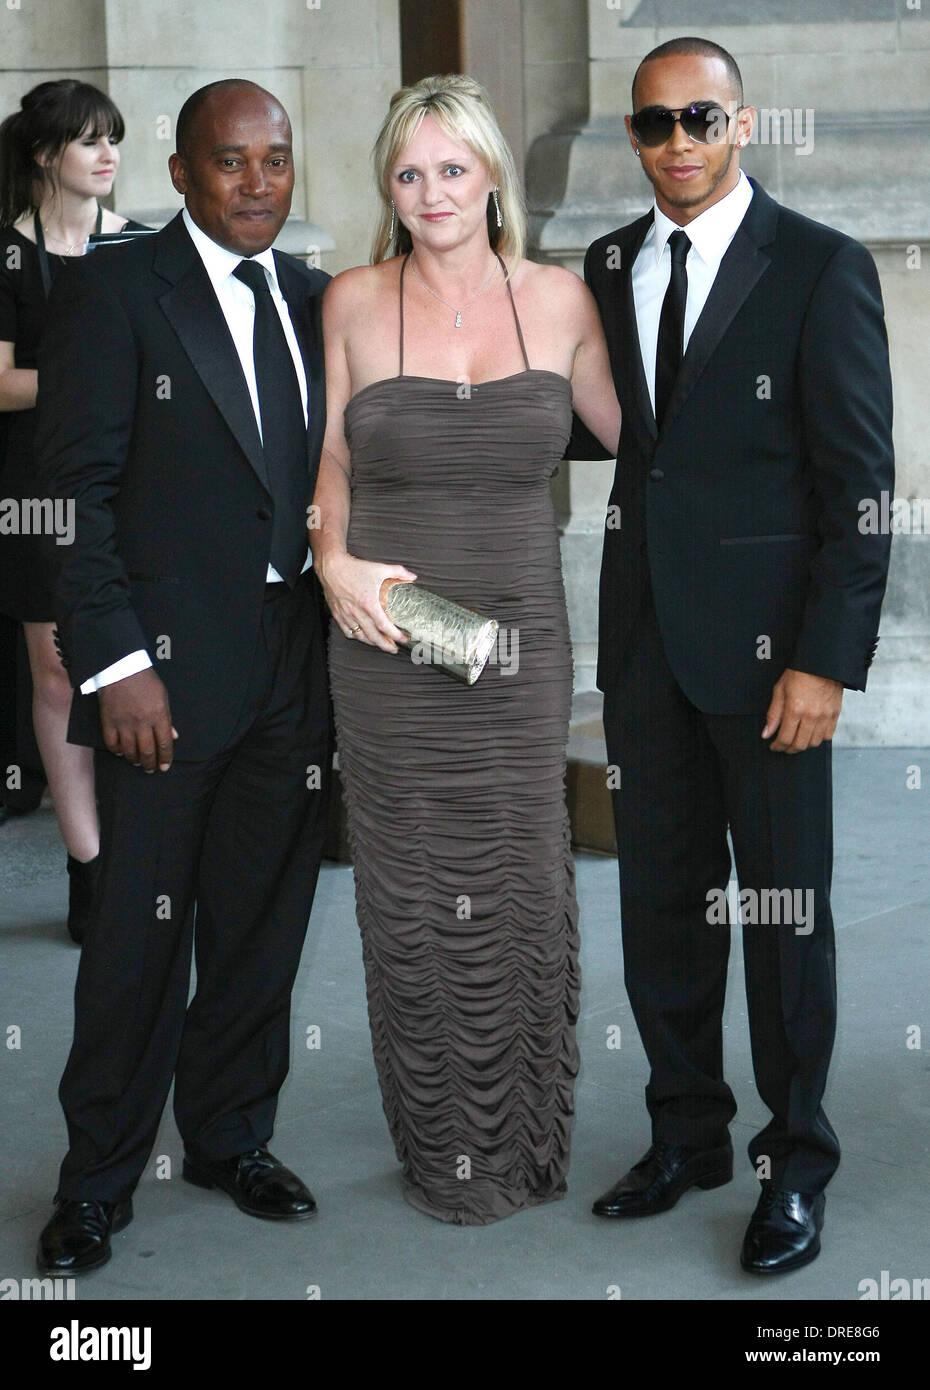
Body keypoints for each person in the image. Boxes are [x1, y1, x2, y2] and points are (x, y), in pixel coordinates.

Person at [569, 37, 894, 1273]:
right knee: (660, 904)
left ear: (744, 124)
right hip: (645, 647)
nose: (678, 143)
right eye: (654, 125)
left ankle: (794, 1161)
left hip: (772, 662)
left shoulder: (818, 266)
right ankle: (685, 1133)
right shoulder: (607, 265)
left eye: (700, 117)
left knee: (782, 914)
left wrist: (824, 658)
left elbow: (862, 485)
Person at [33, 79, 332, 1275]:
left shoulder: (317, 300)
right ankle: (96, 1180)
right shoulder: (114, 293)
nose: (256, 182)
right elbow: (77, 498)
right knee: (137, 942)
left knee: (263, 925)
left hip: (293, 672)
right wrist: (116, 667)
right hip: (159, 675)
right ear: (181, 175)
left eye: (274, 159)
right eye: (230, 161)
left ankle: (229, 1136)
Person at [311, 73, 619, 1225]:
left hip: (516, 644)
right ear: (387, 185)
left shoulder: (564, 299)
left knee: (524, 877)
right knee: (410, 890)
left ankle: (526, 1137)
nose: (431, 190)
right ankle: (443, 1144)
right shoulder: (349, 299)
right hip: (386, 634)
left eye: (452, 166)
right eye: (408, 171)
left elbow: (654, 439)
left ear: (491, 175)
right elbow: (328, 465)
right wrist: (333, 563)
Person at [0, 80, 146, 939]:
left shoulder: (138, 246)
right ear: (44, 154)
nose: (107, 155)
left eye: (114, 139)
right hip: (29, 494)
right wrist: (95, 384)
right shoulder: (8, 257)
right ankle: (89, 865)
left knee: (127, 662)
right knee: (56, 673)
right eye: (89, 141)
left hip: (132, 484)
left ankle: (139, 856)